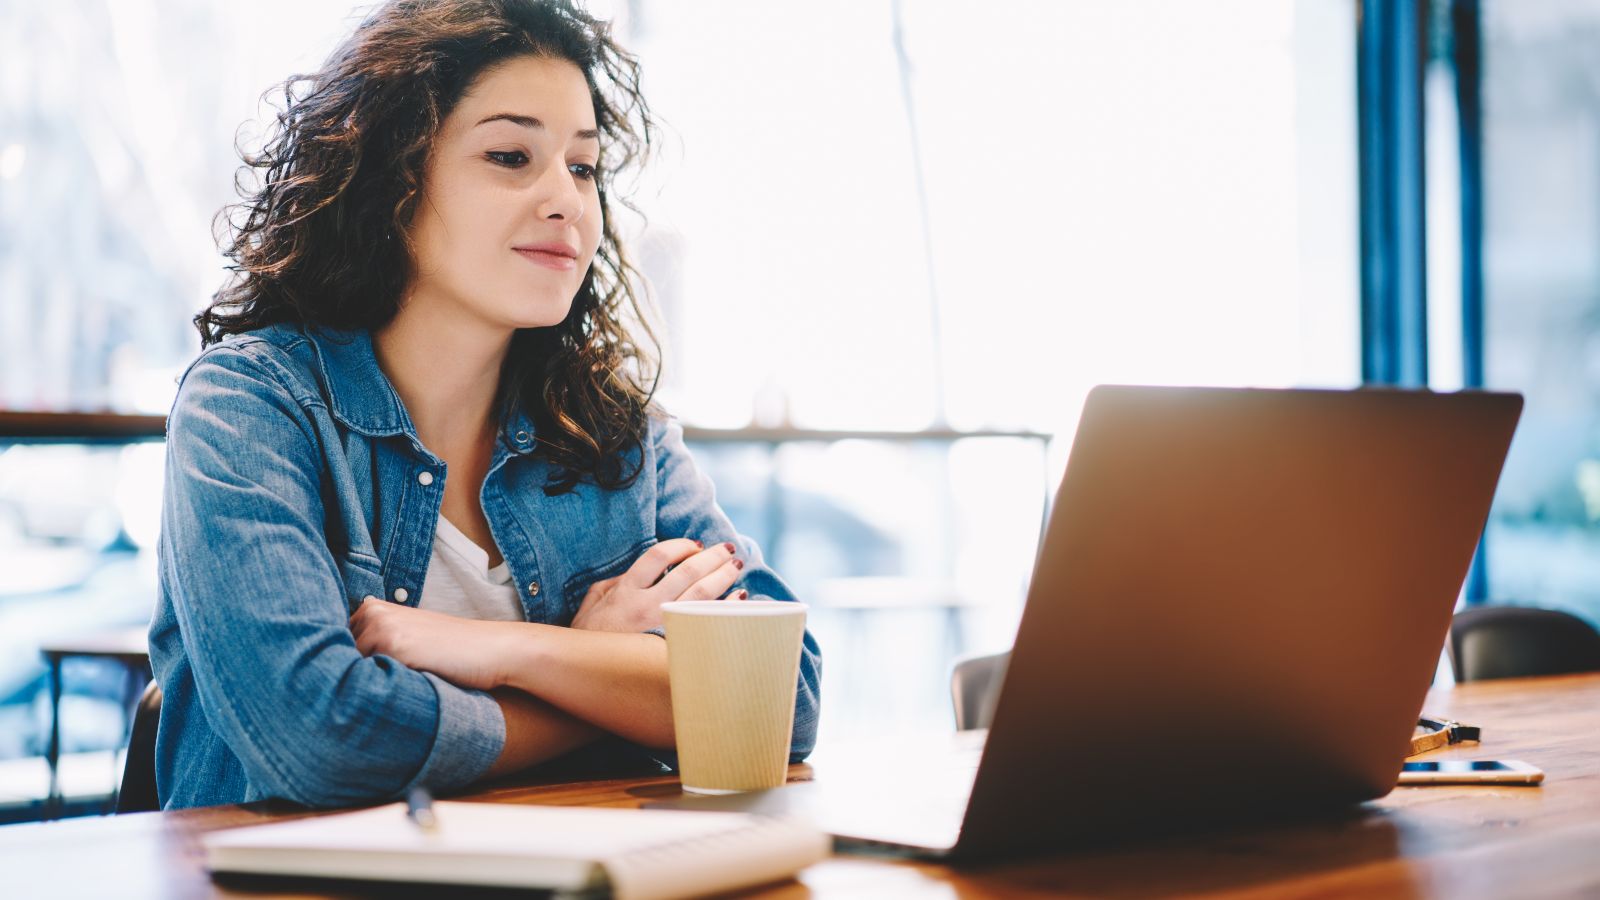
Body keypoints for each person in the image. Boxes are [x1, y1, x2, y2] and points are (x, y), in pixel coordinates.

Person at [149, 0, 821, 810]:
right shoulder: (250, 405)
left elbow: (783, 694)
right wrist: (596, 676)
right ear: (389, 179)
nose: (567, 201)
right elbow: (325, 739)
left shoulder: (610, 431)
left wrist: (505, 649)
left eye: (583, 166)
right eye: (510, 155)